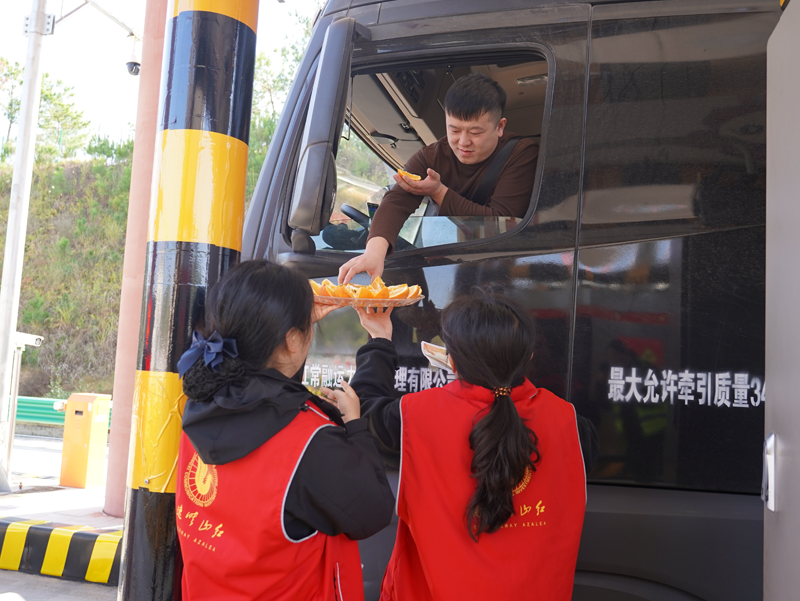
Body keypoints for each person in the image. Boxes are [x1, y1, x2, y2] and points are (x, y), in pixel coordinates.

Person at [326, 293, 598, 600]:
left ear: (451, 361)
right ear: (530, 356)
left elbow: (359, 408)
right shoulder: (574, 427)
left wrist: (379, 339)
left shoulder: (415, 417)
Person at [174, 260, 395, 601]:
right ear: (291, 341)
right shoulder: (308, 441)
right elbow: (373, 511)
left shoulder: (201, 401)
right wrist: (356, 425)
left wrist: (295, 332)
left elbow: (274, 385)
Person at [339, 72, 540, 285]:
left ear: (499, 127)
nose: (463, 142)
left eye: (475, 132)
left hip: (505, 269)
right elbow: (396, 201)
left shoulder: (521, 154)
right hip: (453, 267)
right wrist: (374, 253)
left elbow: (501, 221)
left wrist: (438, 192)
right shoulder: (430, 157)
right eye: (454, 130)